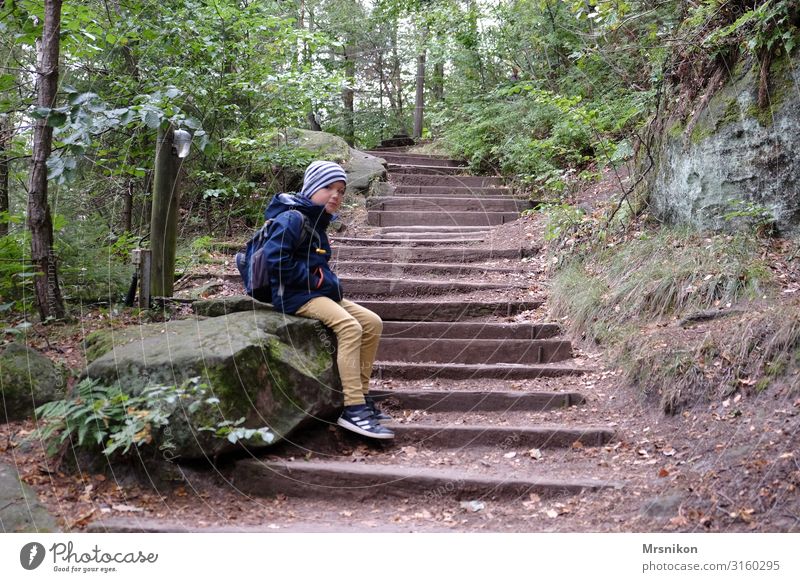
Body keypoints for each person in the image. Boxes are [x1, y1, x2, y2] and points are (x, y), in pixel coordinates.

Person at [261, 160, 394, 440]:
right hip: (293, 296)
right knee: (349, 327)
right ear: (310, 189)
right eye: (328, 188)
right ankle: (353, 408)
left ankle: (364, 396)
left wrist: (324, 282)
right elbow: (276, 261)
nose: (336, 195)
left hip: (315, 294)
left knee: (372, 322)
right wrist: (318, 280)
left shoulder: (317, 222)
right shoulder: (291, 218)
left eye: (341, 190)